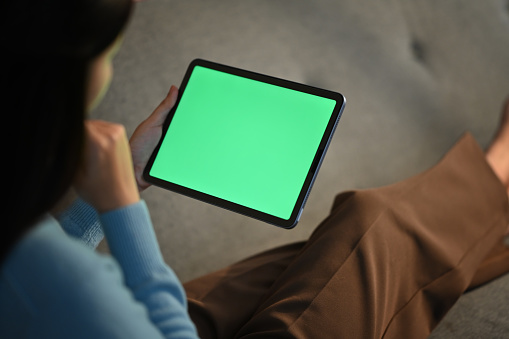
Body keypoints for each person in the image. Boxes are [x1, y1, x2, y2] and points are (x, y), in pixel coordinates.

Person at [1, 0, 509, 338]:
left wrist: (114, 187)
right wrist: (123, 209)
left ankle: (484, 222)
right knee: (373, 223)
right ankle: (498, 171)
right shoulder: (61, 279)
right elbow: (52, 283)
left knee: (321, 251)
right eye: (109, 54)